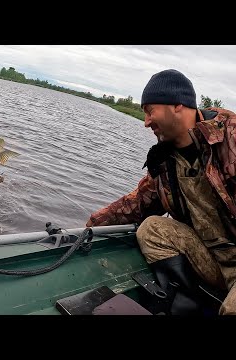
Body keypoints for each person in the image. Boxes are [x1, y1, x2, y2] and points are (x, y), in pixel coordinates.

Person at [85, 69, 236, 315]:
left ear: (177, 105)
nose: (145, 122)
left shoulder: (231, 134)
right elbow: (135, 205)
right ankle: (193, 304)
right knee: (152, 229)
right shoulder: (166, 158)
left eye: (149, 111)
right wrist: (88, 227)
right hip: (218, 262)